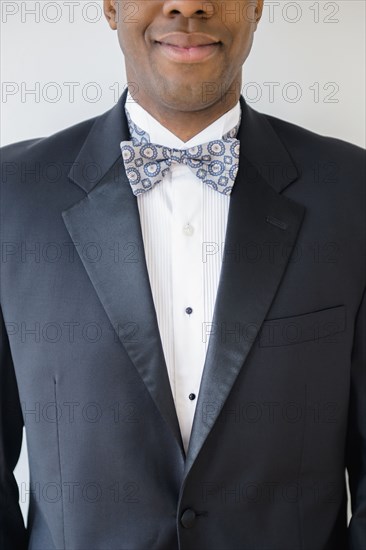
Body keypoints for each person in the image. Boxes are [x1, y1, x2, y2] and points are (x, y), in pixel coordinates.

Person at [1, 1, 365, 548]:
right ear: (110, 6)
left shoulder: (353, 194)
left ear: (257, 5)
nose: (188, 3)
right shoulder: (11, 196)